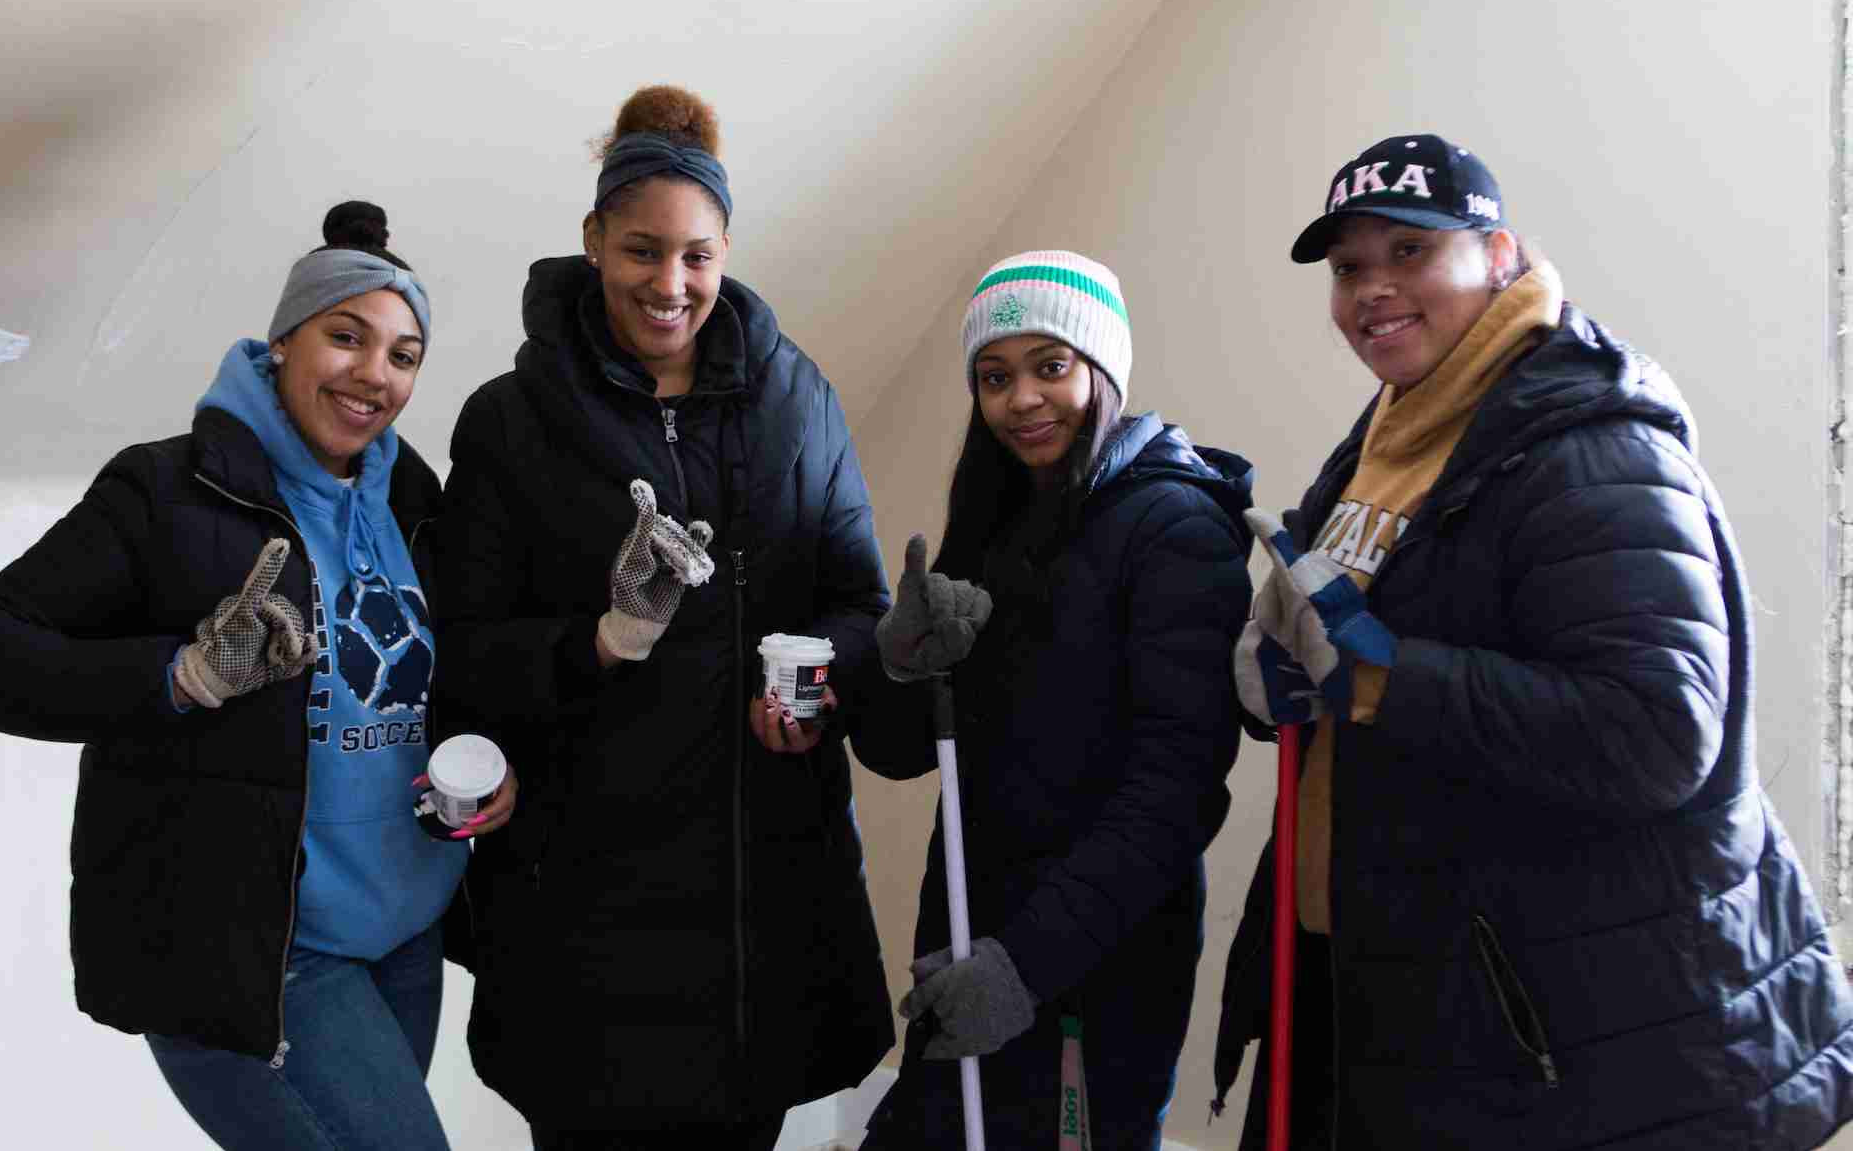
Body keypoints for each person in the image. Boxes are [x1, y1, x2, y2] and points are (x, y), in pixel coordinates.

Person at [1211, 135, 1853, 1149]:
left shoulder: (1589, 446)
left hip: (1572, 1037)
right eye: (1346, 269)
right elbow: (1360, 639)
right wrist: (1271, 673)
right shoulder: (1395, 429)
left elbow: (1654, 731)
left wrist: (1380, 677)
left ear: (1496, 252)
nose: (1371, 290)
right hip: (1406, 993)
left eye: (1408, 252)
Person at [0, 203, 509, 1151]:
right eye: (346, 336)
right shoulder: (164, 493)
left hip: (405, 937)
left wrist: (487, 768)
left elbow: (432, 682)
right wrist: (182, 675)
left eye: (404, 355)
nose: (375, 375)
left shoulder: (410, 495)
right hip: (258, 948)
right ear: (283, 340)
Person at [435, 85, 893, 1148]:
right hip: (583, 926)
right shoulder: (510, 425)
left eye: (696, 255)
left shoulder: (797, 399)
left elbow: (856, 600)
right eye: (641, 251)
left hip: (760, 918)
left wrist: (816, 685)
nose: (669, 284)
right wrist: (600, 641)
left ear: (726, 248)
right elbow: (463, 654)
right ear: (593, 240)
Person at [854, 251, 1253, 1150]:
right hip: (967, 935)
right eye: (995, 377)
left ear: (1101, 367)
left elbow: (1175, 792)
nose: (1022, 398)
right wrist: (900, 663)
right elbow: (900, 749)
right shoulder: (995, 522)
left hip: (1093, 972)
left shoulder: (1176, 529)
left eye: (1051, 365)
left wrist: (1024, 966)